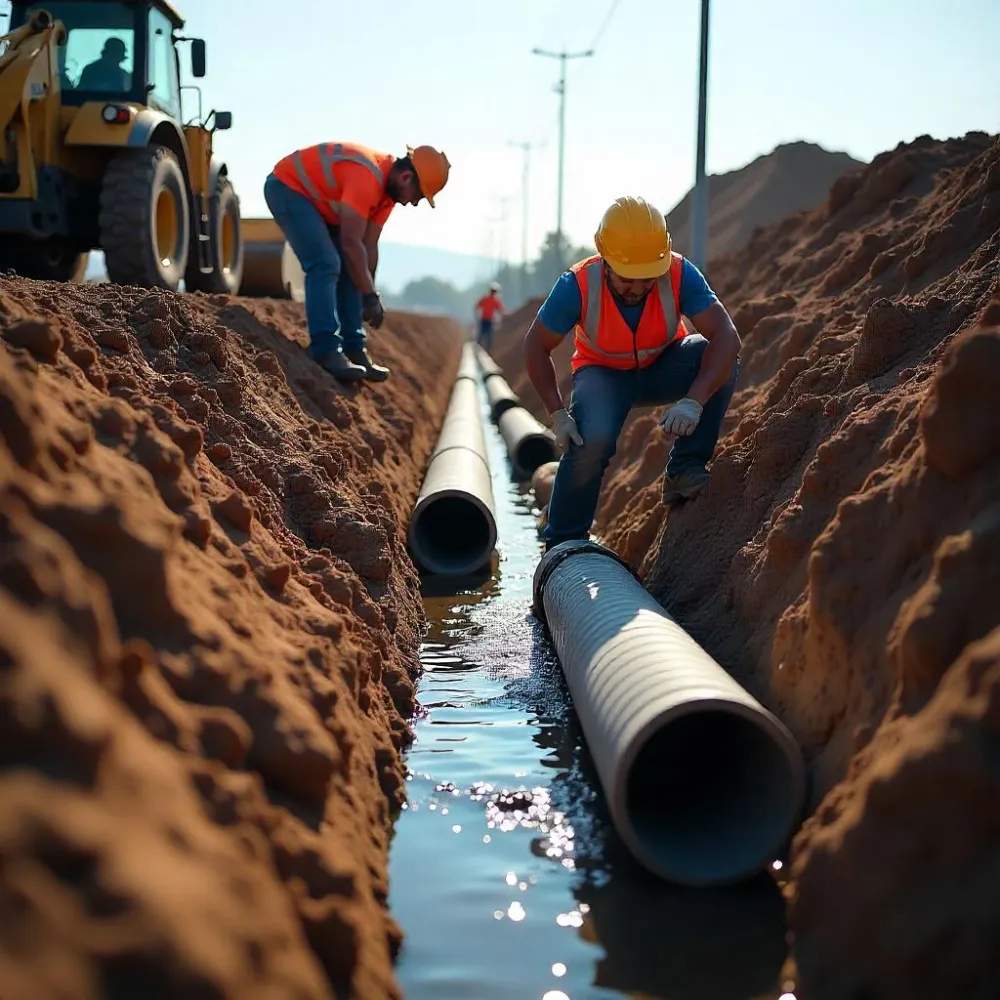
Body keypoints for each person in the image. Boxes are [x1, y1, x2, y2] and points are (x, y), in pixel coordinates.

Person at [523, 195, 741, 551]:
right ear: (605, 259)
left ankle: (683, 469)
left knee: (715, 357)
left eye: (647, 279)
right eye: (628, 278)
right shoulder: (576, 285)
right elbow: (535, 346)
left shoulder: (679, 272)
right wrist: (557, 412)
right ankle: (563, 543)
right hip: (603, 374)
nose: (638, 288)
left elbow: (727, 336)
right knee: (590, 442)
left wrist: (694, 402)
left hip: (664, 365)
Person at [264, 142, 451, 382]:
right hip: (288, 187)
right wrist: (368, 295)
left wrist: (369, 291)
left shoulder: (387, 197)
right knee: (326, 263)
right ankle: (325, 349)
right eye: (418, 196)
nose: (413, 203)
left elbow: (368, 246)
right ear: (405, 177)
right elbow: (352, 243)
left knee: (353, 268)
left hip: (317, 202)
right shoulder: (367, 178)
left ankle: (354, 348)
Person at [474, 282, 505, 350]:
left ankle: (486, 348)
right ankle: (479, 347)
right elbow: (477, 305)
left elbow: (501, 310)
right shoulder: (488, 299)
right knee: (483, 334)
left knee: (487, 335)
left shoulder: (493, 300)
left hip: (488, 320)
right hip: (485, 319)